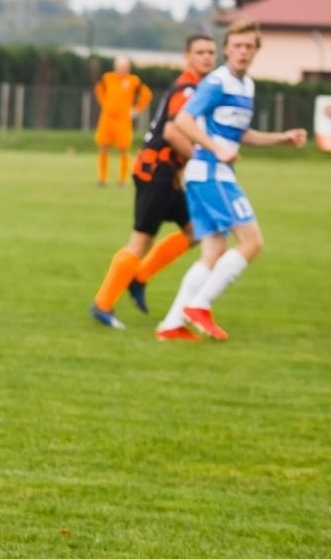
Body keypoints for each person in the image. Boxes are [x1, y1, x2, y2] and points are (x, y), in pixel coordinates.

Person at [155, 19, 306, 341]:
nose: (242, 52)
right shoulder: (216, 82)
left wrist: (282, 138)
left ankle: (171, 325)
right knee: (251, 242)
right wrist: (215, 149)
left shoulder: (246, 86)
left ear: (256, 51)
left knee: (213, 252)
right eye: (237, 46)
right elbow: (182, 120)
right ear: (227, 49)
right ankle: (200, 305)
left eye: (249, 46)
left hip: (213, 173)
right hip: (210, 173)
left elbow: (240, 134)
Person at [88, 35, 218, 329]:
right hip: (155, 171)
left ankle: (139, 277)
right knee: (141, 240)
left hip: (169, 174)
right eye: (201, 52)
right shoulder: (187, 90)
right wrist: (209, 158)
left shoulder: (199, 88)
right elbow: (173, 133)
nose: (208, 57)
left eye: (212, 52)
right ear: (188, 57)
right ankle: (102, 304)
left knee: (196, 230)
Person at [94, 56, 152, 188]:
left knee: (124, 149)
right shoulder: (107, 78)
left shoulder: (134, 81)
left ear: (128, 68)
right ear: (115, 67)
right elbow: (99, 89)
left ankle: (123, 179)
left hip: (123, 119)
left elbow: (147, 94)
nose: (121, 69)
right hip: (107, 118)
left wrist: (136, 109)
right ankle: (102, 178)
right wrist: (104, 103)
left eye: (124, 67)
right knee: (103, 146)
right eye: (119, 67)